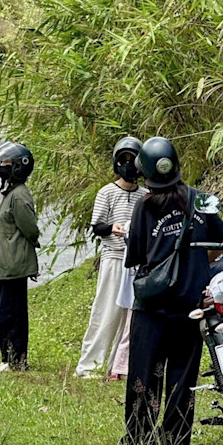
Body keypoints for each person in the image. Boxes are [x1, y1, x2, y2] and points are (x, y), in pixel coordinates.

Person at [122, 135, 223, 445]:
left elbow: (137, 255)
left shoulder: (143, 206)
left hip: (153, 306)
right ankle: (175, 437)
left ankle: (139, 435)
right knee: (183, 373)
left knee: (145, 370)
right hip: (190, 303)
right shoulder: (201, 199)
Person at [75, 137, 145, 377]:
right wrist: (113, 227)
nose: (128, 166)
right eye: (124, 160)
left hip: (136, 262)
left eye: (133, 161)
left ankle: (120, 367)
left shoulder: (145, 195)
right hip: (114, 257)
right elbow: (97, 226)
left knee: (131, 317)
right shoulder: (107, 192)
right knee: (105, 312)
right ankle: (89, 366)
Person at [0, 141, 39, 371]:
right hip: (3, 264)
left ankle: (16, 359)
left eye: (7, 164)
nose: (2, 167)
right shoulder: (10, 193)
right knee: (4, 312)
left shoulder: (19, 196)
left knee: (13, 314)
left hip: (13, 265)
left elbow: (30, 229)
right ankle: (7, 357)